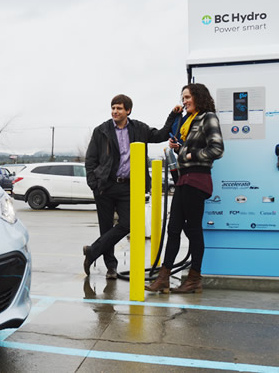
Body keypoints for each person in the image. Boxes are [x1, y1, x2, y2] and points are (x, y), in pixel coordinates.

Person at [83, 94, 174, 279]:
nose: (115, 111)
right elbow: (90, 159)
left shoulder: (139, 128)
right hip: (105, 186)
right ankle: (111, 267)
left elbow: (162, 135)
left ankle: (93, 251)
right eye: (113, 108)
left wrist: (173, 115)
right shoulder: (101, 130)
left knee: (128, 224)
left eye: (119, 108)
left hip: (128, 187)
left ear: (128, 111)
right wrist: (94, 183)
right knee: (106, 227)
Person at [145, 83, 224, 293]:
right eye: (183, 98)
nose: (184, 101)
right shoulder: (188, 121)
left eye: (187, 97)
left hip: (197, 180)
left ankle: (194, 279)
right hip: (184, 179)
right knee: (173, 228)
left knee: (193, 229)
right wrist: (179, 149)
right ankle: (164, 278)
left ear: (198, 96)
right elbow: (191, 148)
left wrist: (190, 155)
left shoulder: (208, 117)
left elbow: (217, 149)